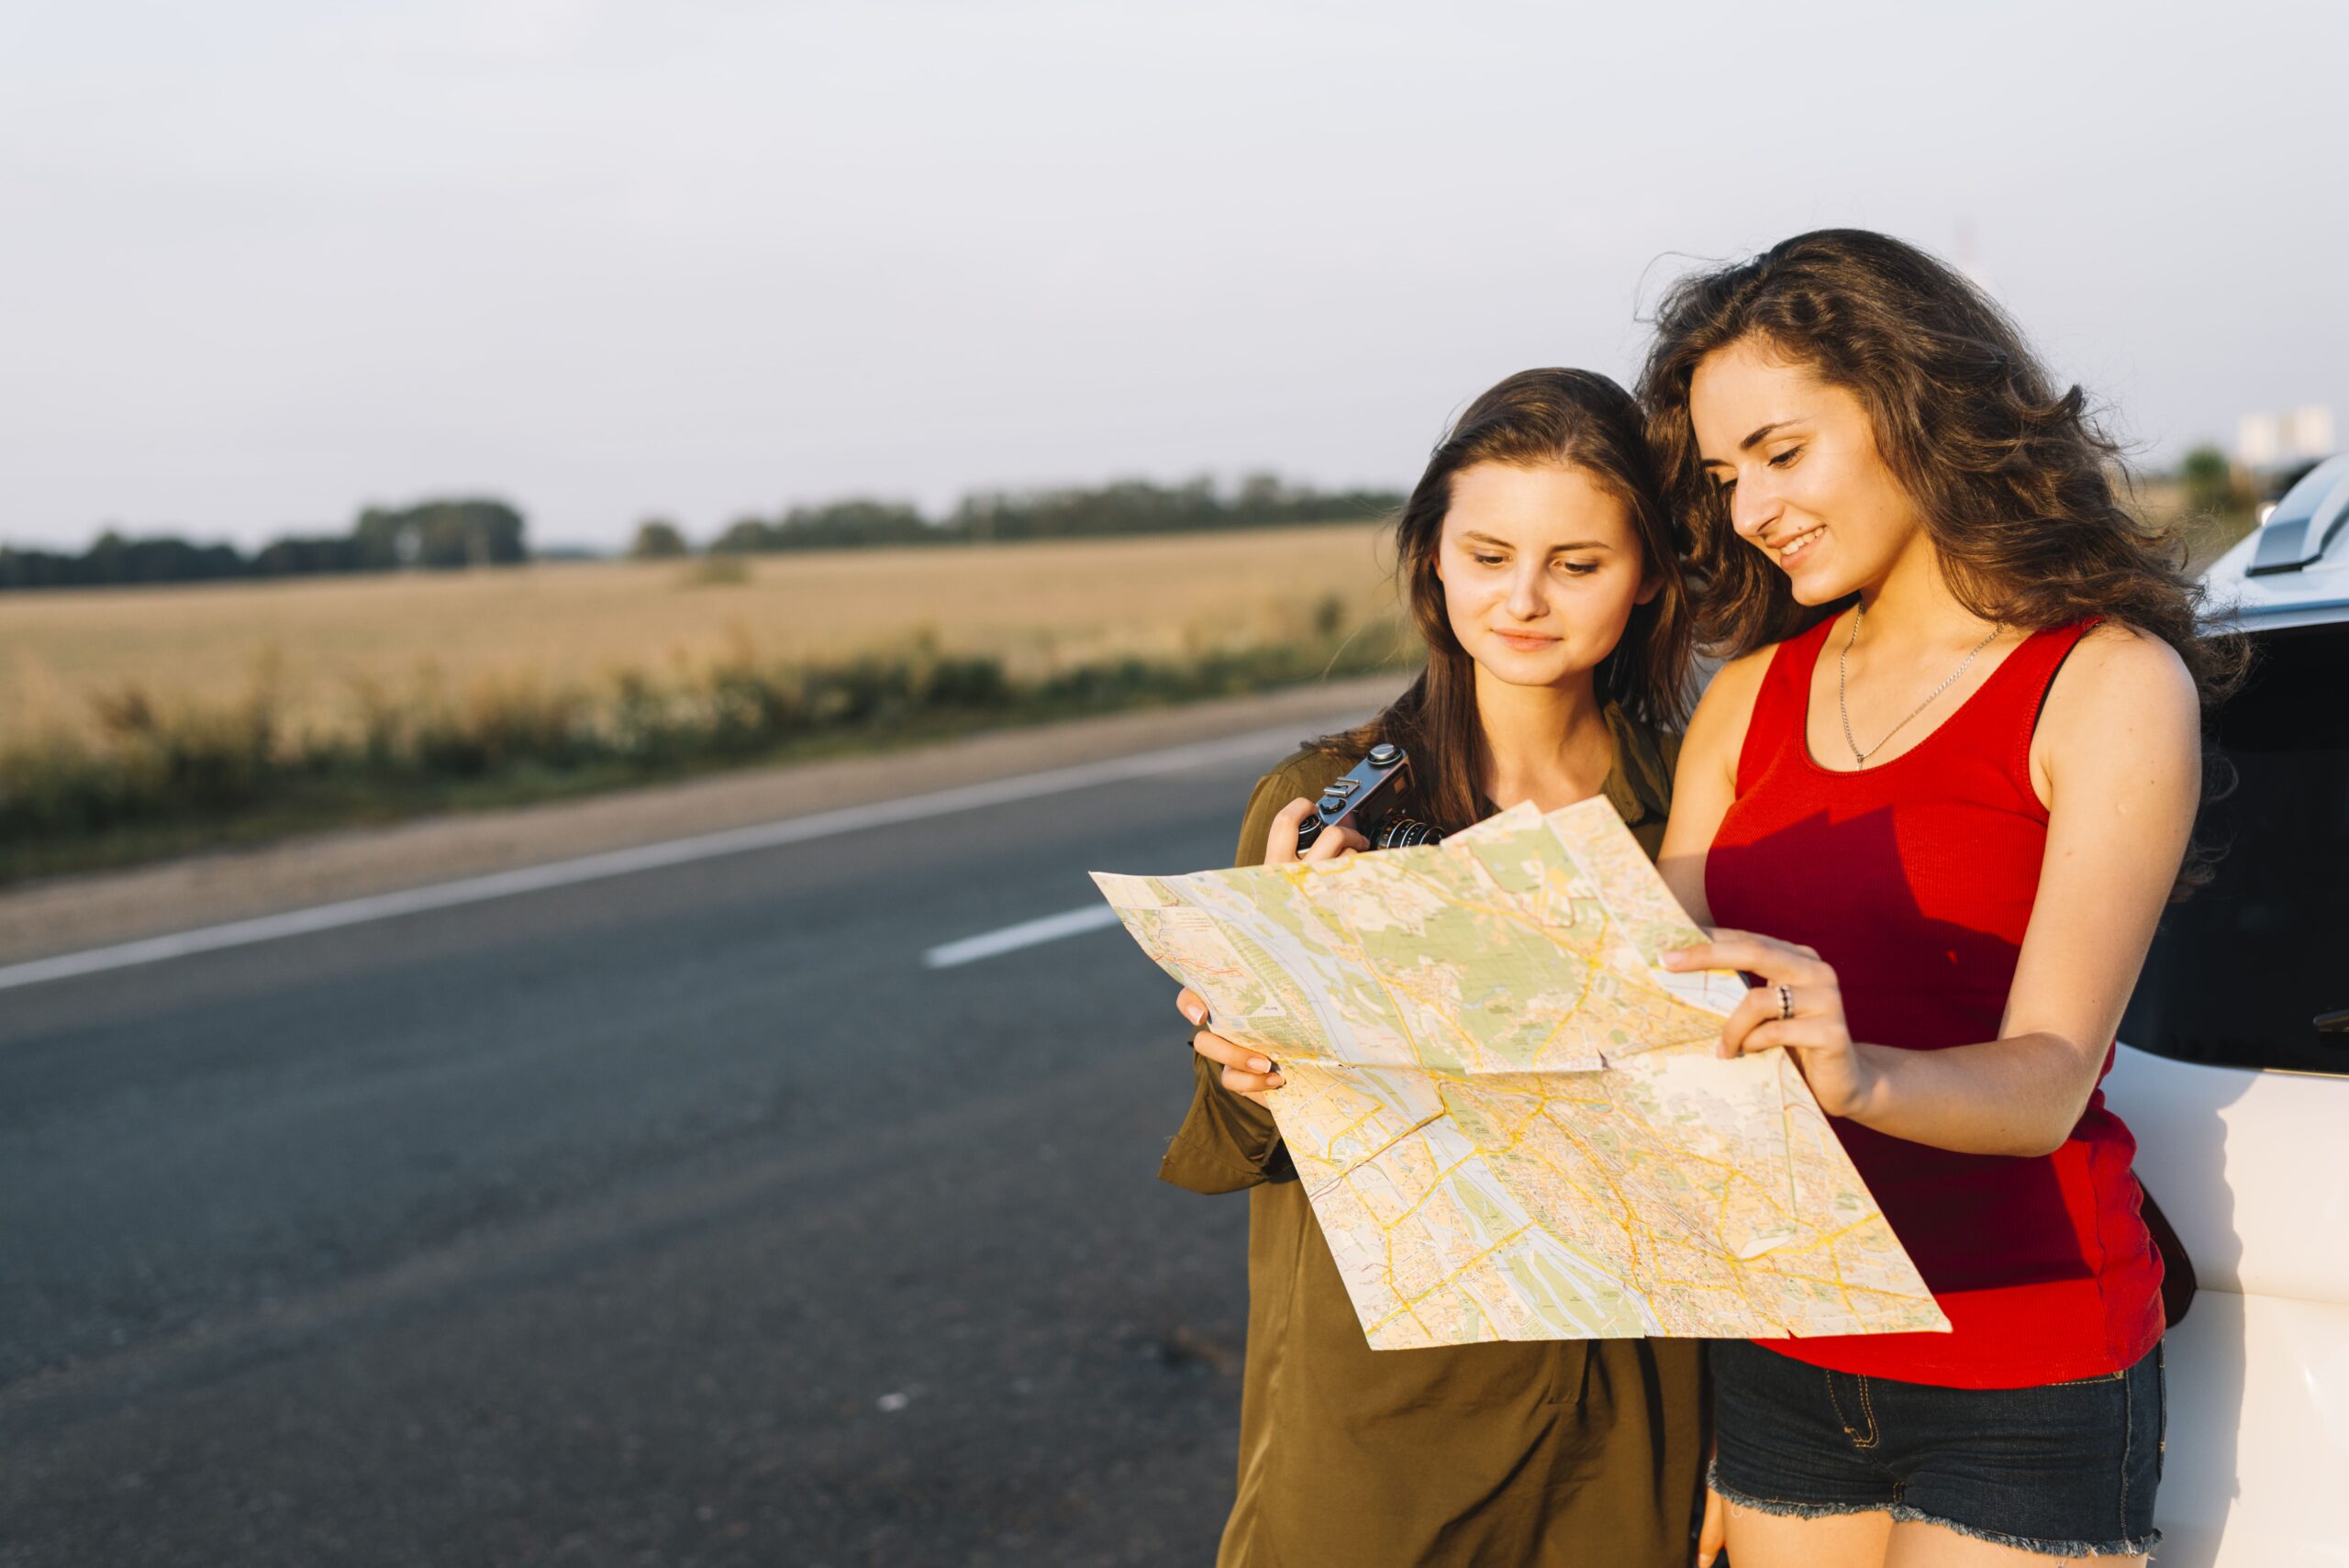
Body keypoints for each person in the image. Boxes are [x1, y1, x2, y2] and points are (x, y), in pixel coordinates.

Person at [1640, 229, 2242, 1566]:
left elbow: (2042, 1083)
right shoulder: (1745, 700)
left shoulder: (2104, 680)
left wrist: (1856, 1076)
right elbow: (1644, 1015)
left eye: (1783, 455)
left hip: (2023, 1355)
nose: (1748, 511)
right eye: (1727, 475)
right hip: (1787, 1344)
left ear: (1916, 405)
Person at [1164, 367, 1708, 1566]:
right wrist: (1252, 1049)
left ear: (1651, 577)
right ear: (1432, 562)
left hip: (1631, 1413)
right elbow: (1248, 1137)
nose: (1524, 597)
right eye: (1488, 553)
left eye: (1578, 563)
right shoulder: (1320, 805)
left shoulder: (1699, 807)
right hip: (1383, 1422)